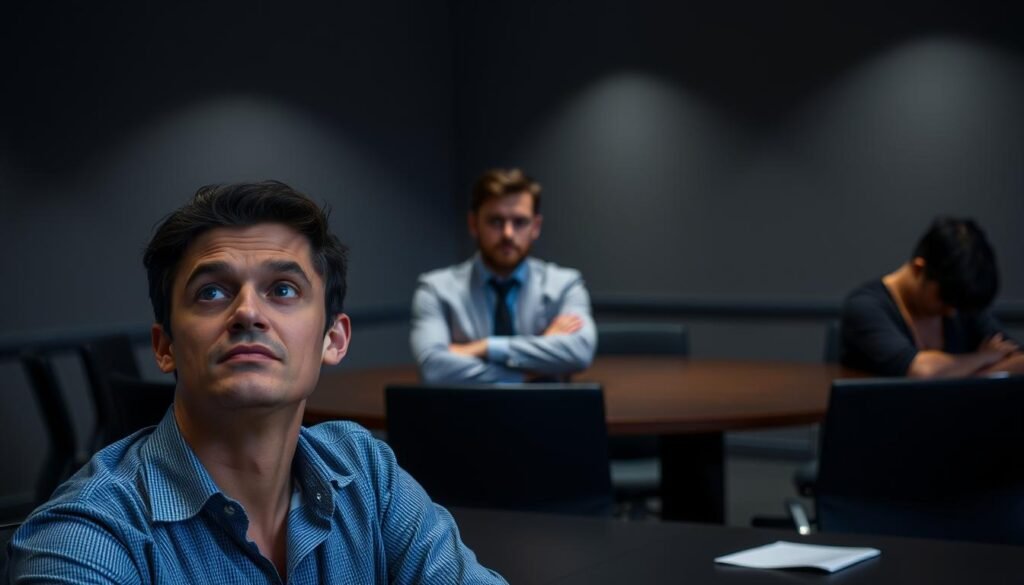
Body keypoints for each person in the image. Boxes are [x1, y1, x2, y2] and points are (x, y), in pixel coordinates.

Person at [5, 182, 506, 584]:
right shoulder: (84, 538)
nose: (247, 312)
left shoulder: (367, 474)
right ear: (165, 347)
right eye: (211, 292)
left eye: (283, 289)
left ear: (333, 338)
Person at [410, 168, 596, 383]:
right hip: (465, 414)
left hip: (547, 413)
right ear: (473, 224)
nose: (508, 234)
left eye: (520, 222)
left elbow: (579, 352)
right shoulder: (436, 289)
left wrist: (484, 348)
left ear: (535, 227)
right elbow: (434, 369)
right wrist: (533, 366)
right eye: (495, 221)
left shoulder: (565, 285)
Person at [840, 216, 1023, 378]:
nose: (951, 313)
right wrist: (983, 357)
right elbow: (921, 372)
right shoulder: (865, 307)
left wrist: (966, 375)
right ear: (919, 269)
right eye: (944, 300)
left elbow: (1019, 359)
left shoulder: (958, 303)